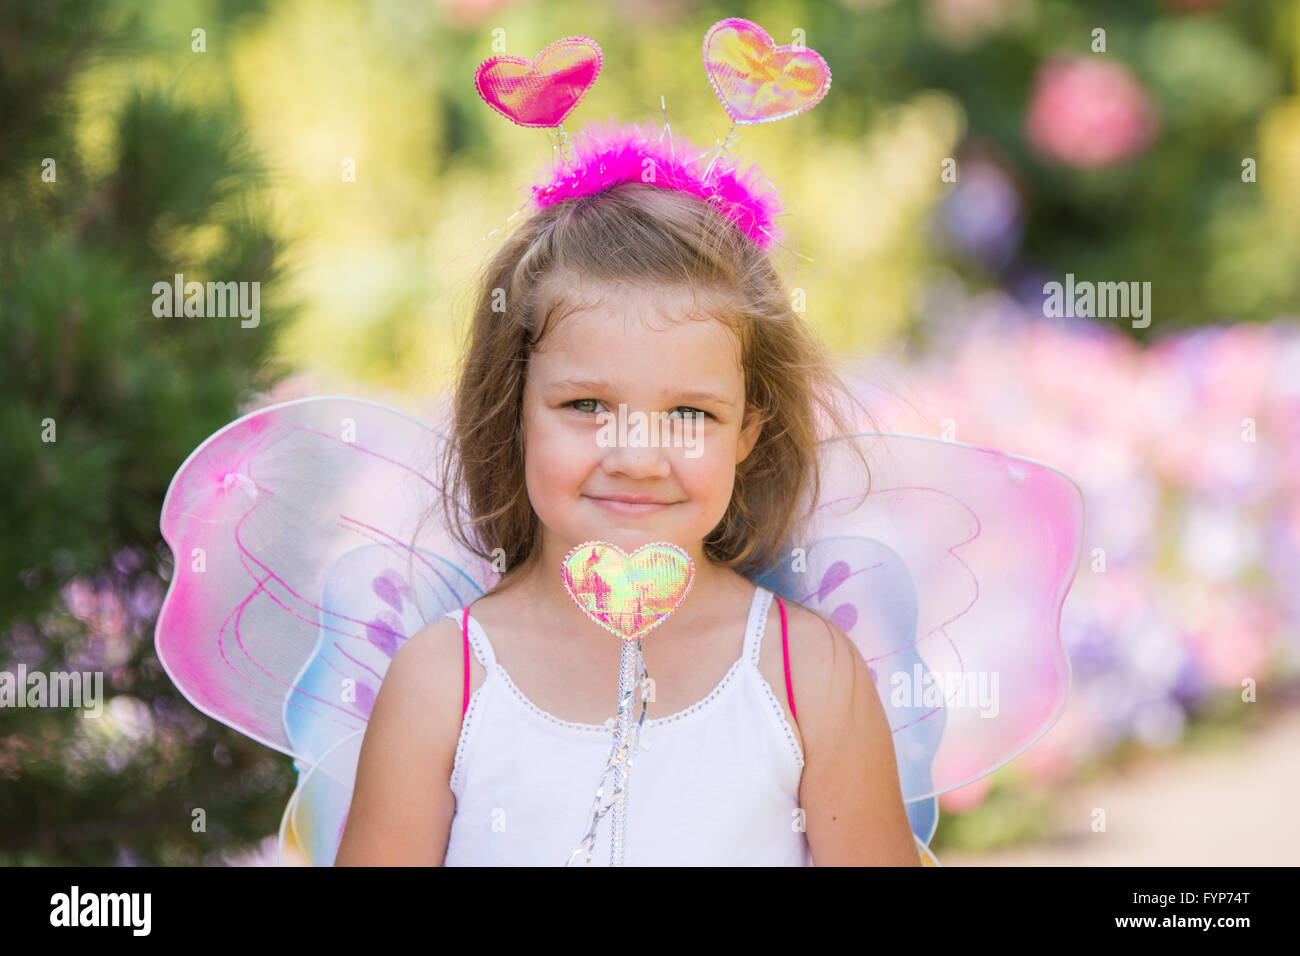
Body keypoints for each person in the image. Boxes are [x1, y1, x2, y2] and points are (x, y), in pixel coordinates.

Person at [333, 178, 920, 866]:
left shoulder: (809, 676)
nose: (638, 457)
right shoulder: (443, 683)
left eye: (690, 414)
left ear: (747, 431)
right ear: (514, 409)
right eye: (587, 405)